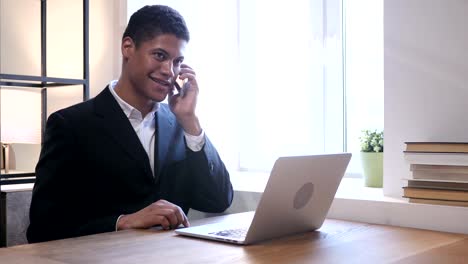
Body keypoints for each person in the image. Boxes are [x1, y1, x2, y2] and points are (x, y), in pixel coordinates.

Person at [27, 5, 233, 243]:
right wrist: (122, 221)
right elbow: (43, 228)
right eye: (160, 55)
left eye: (178, 61)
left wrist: (191, 121)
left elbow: (218, 200)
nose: (169, 71)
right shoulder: (70, 125)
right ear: (128, 48)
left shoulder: (180, 124)